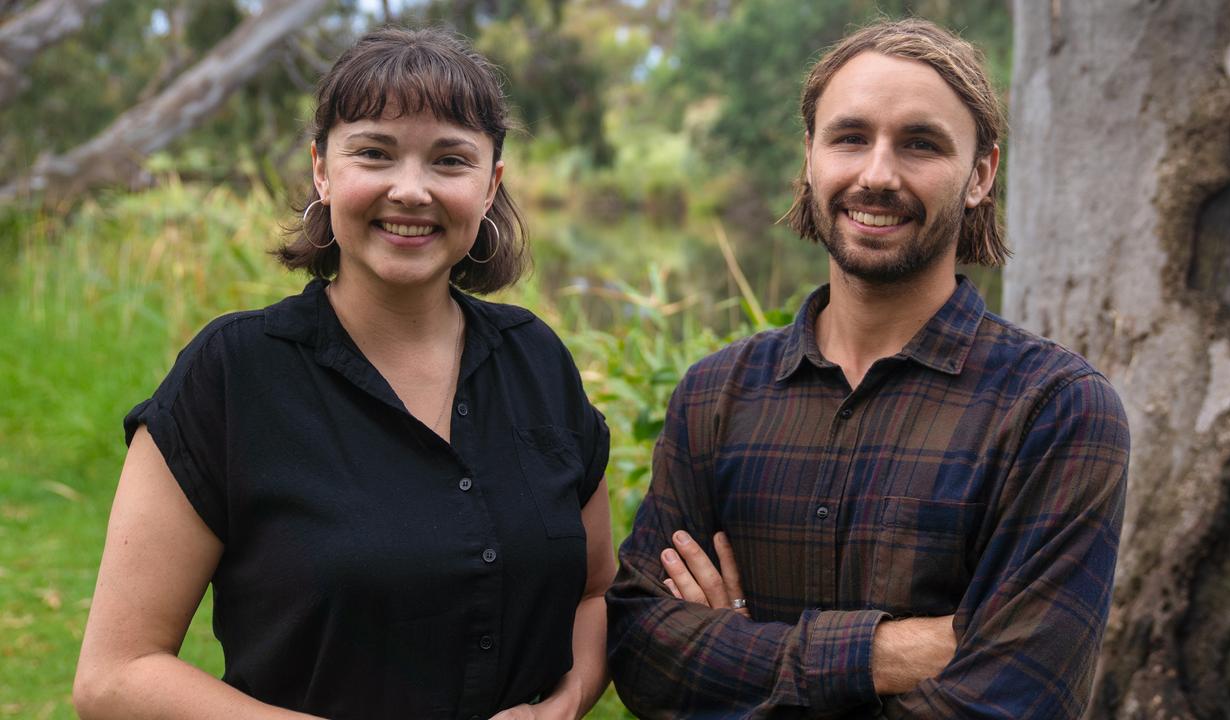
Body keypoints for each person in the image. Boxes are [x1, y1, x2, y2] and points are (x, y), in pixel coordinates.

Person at [73, 27, 613, 720]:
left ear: (490, 186)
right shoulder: (233, 375)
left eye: (450, 160)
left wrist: (562, 705)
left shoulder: (537, 360)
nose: (411, 190)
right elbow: (115, 675)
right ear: (323, 171)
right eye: (374, 153)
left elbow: (596, 590)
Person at [607, 18, 1129, 719]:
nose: (877, 175)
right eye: (850, 138)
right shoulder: (715, 395)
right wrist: (887, 655)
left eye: (920, 144)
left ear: (981, 175)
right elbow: (644, 655)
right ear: (811, 157)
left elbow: (1013, 702)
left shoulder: (1056, 411)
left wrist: (736, 646)